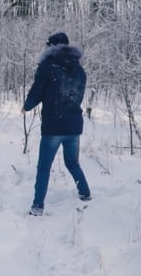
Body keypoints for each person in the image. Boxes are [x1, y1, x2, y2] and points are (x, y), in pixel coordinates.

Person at [21, 32, 91, 216]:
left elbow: (37, 91)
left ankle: (37, 207)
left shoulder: (47, 66)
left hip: (53, 126)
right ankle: (85, 194)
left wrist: (26, 107)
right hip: (74, 125)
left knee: (44, 167)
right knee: (72, 163)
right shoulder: (80, 70)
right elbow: (78, 96)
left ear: (51, 47)